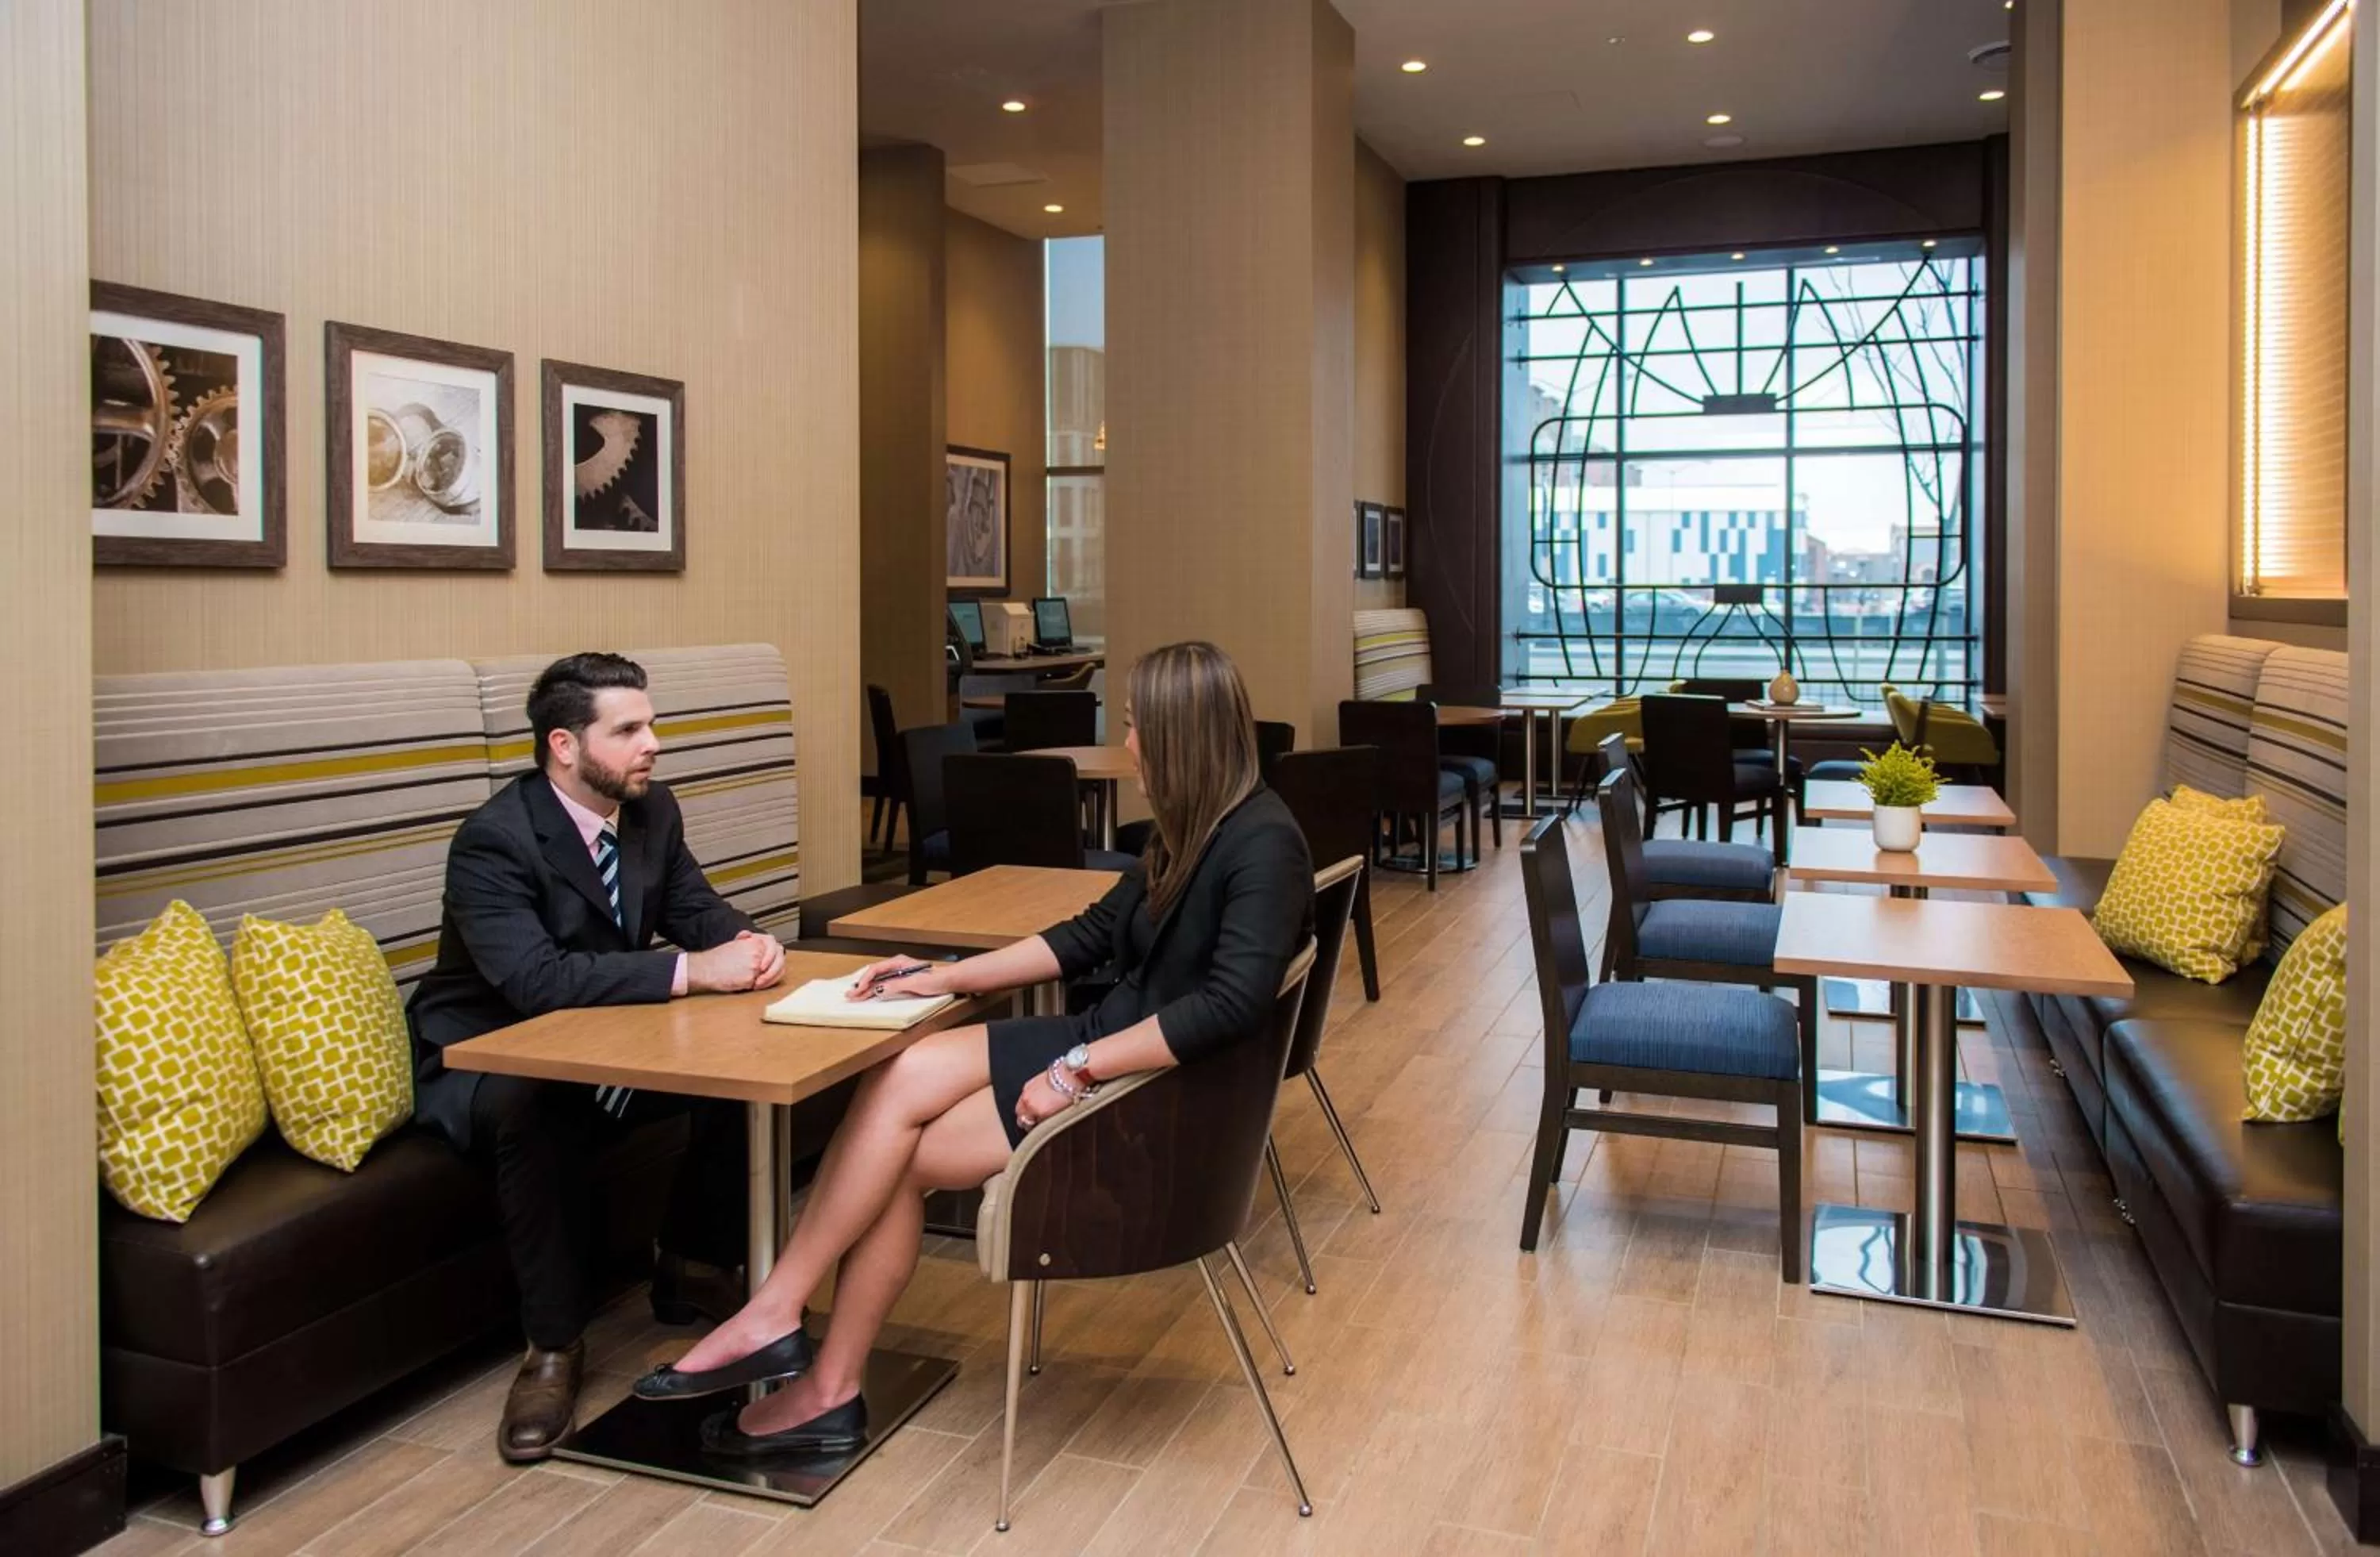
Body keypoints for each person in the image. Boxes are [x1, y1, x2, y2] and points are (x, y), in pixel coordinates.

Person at [632, 640, 1313, 1456]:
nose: (1128, 743)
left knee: (898, 1161)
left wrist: (1075, 1070)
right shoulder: (1193, 827)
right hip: (1110, 1041)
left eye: (1136, 727)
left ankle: (821, 1378)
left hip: (1152, 1088)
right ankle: (782, 1317)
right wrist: (941, 978)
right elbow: (1089, 934)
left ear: (1181, 734)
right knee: (905, 1068)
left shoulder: (1263, 844)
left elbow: (1229, 1007)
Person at [408, 652, 787, 1463]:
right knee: (533, 1106)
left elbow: (694, 908)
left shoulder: (650, 812)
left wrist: (749, 946)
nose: (654, 744)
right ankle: (551, 1349)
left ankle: (691, 1262)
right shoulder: (494, 841)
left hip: (600, 1037)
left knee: (739, 1059)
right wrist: (691, 971)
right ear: (564, 746)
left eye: (651, 724)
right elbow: (533, 980)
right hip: (487, 1052)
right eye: (629, 730)